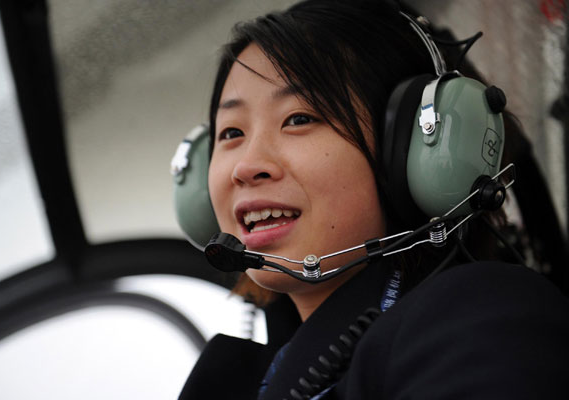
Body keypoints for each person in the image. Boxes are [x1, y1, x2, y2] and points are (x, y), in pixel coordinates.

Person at [178, 0, 569, 398]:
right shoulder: (244, 381)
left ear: (415, 146)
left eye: (299, 119)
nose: (245, 166)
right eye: (231, 133)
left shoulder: (480, 316)